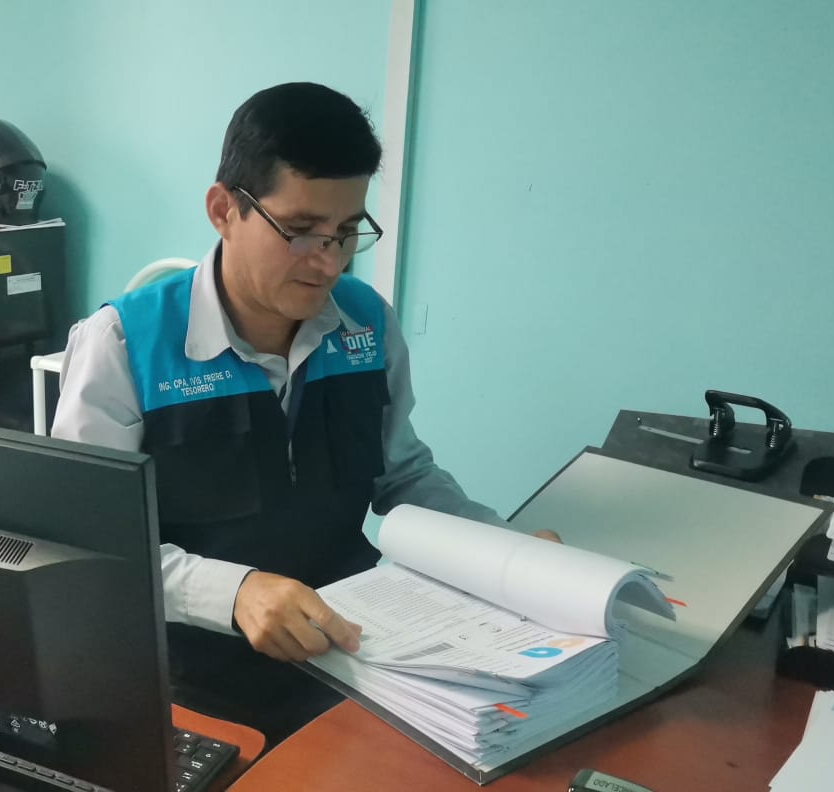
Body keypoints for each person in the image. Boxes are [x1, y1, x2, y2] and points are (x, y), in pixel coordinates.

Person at [52, 82, 555, 743]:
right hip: (187, 682)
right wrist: (233, 592)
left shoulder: (366, 324)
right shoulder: (125, 344)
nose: (328, 262)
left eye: (346, 234)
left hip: (354, 656)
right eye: (299, 231)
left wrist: (502, 549)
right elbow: (91, 543)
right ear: (224, 209)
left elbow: (402, 474)